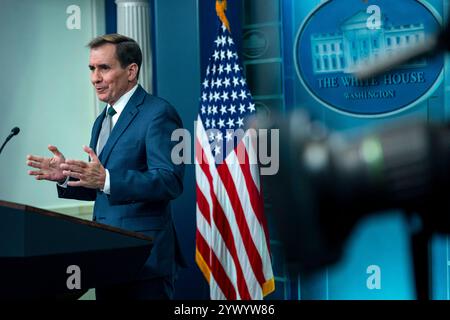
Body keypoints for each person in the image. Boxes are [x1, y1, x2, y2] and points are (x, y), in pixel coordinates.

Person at [26, 34, 185, 300]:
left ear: (131, 71)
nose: (95, 78)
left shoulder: (159, 113)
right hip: (106, 257)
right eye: (92, 68)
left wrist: (106, 179)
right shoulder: (101, 121)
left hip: (145, 259)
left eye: (104, 68)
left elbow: (171, 181)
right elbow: (101, 187)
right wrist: (65, 176)